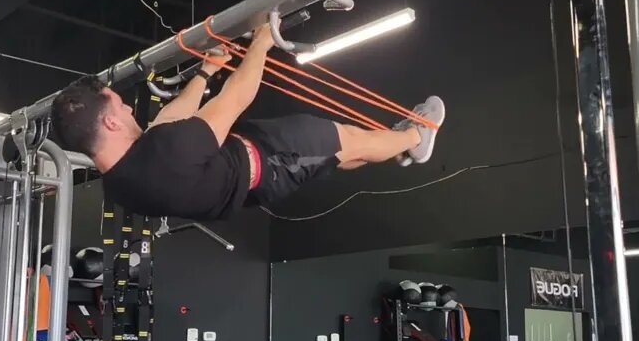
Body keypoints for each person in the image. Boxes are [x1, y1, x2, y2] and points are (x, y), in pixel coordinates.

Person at [50, 23, 445, 221]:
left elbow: (168, 124)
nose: (129, 110)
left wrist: (206, 72)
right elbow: (237, 97)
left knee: (337, 157)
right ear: (112, 125)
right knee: (347, 140)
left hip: (251, 171)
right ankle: (416, 136)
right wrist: (262, 40)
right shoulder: (164, 157)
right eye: (120, 107)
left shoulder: (120, 183)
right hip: (273, 161)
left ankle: (396, 147)